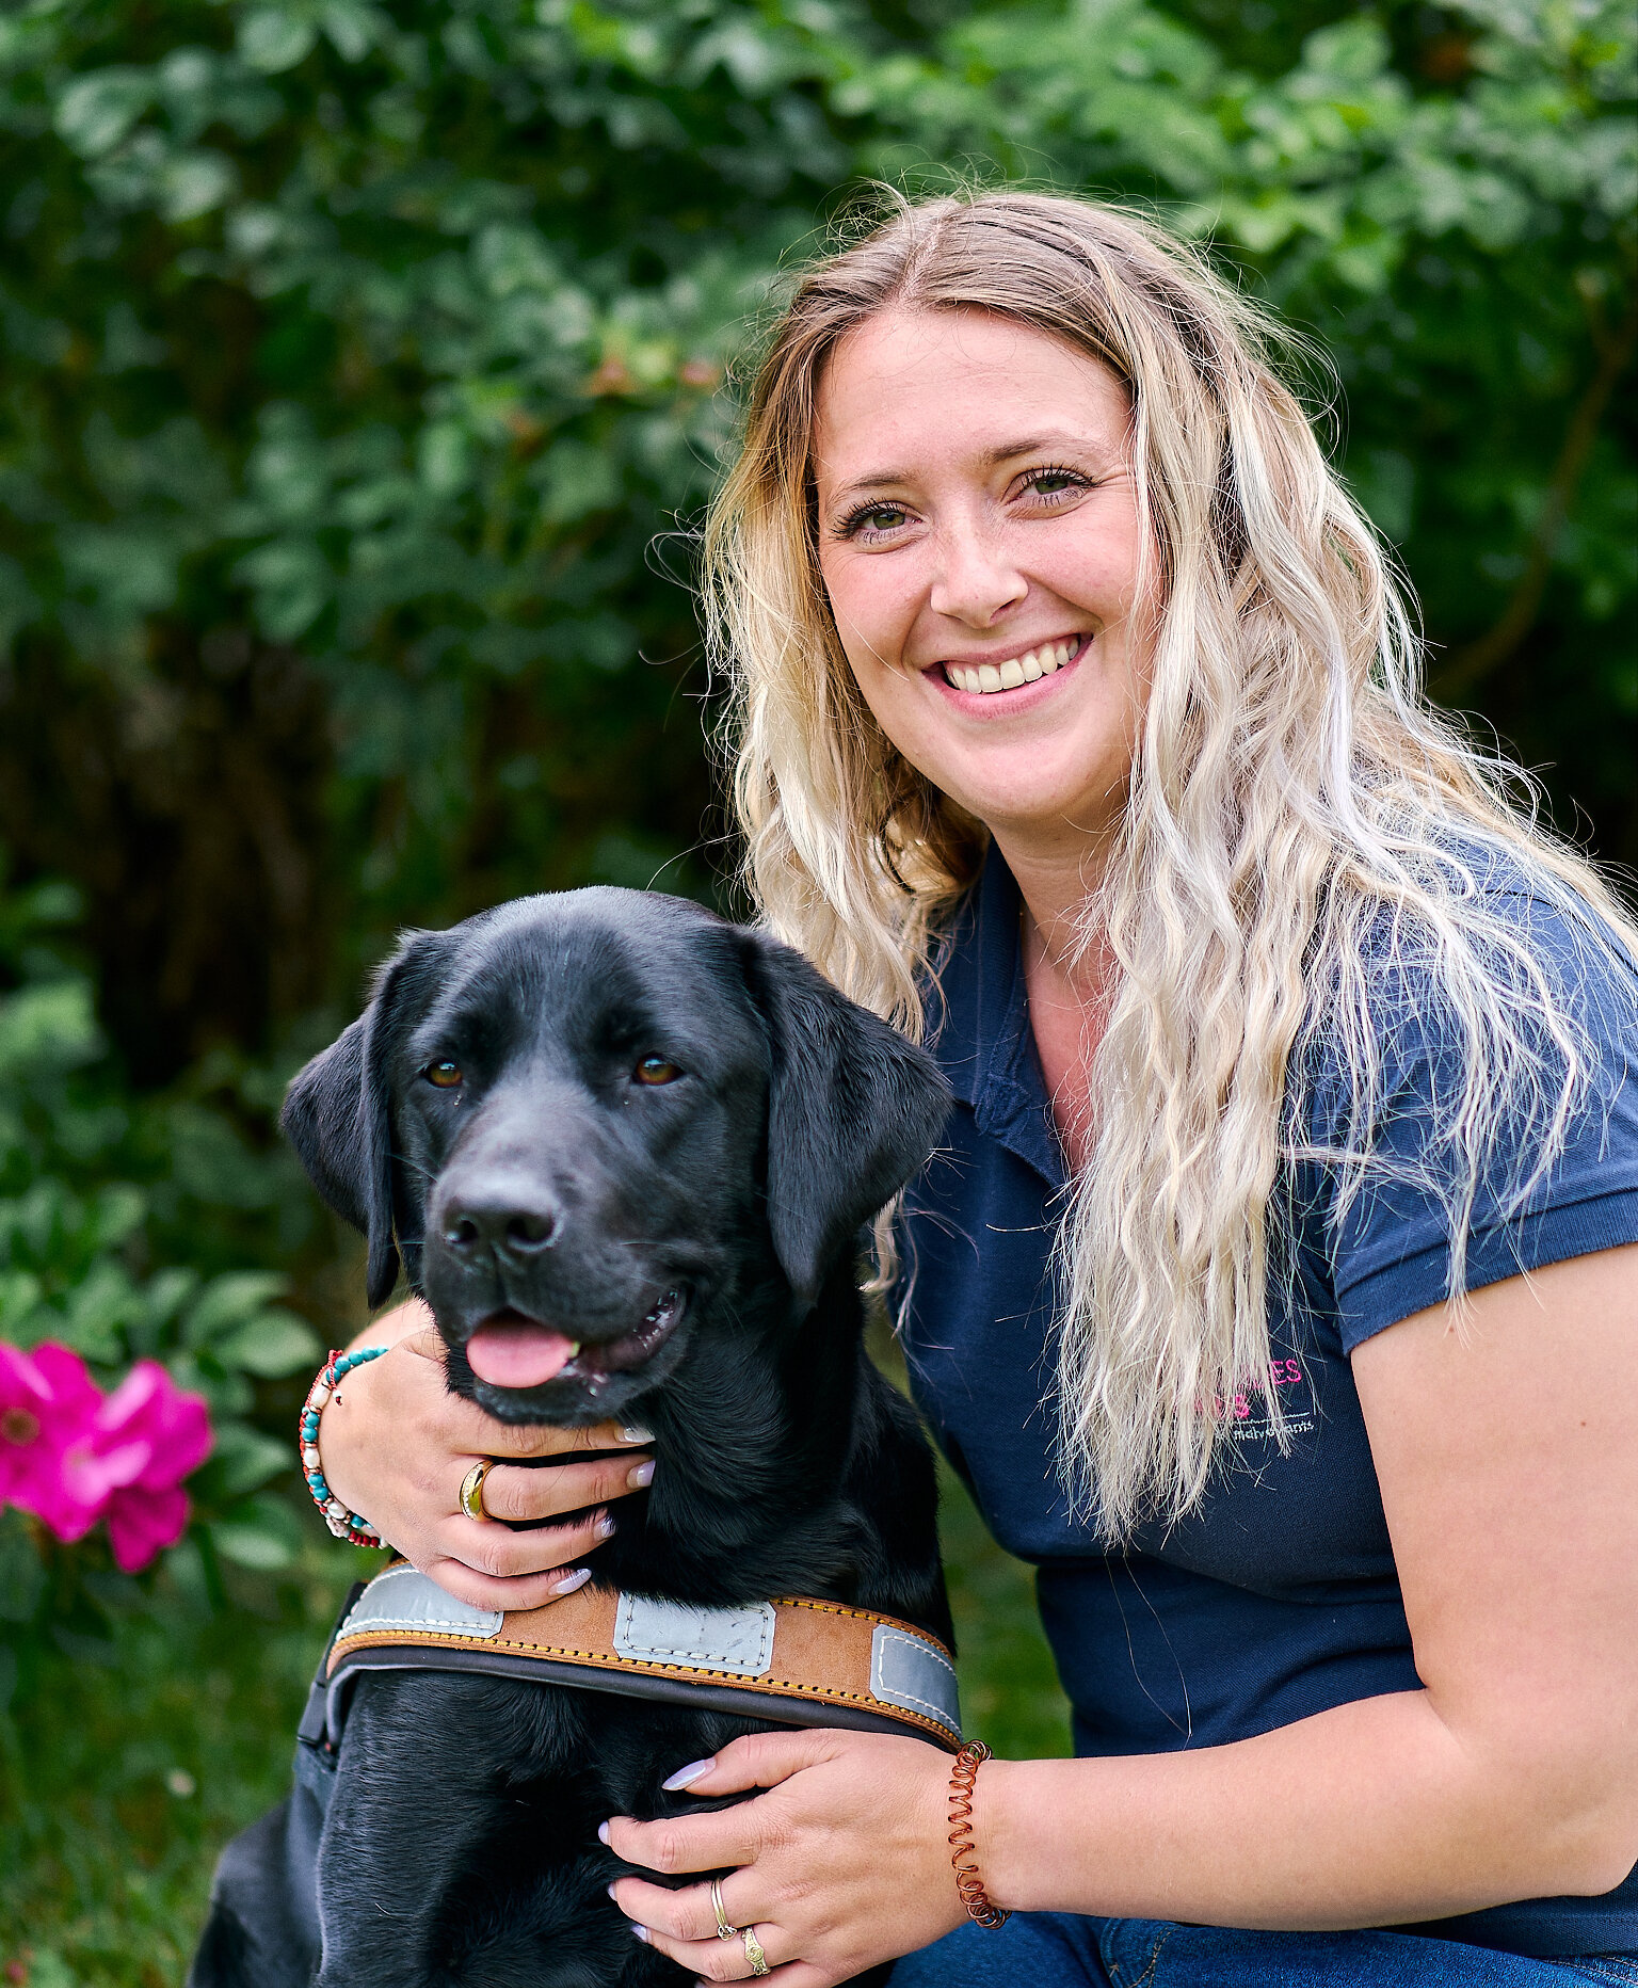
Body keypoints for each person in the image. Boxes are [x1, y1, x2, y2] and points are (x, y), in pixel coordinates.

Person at [314, 192, 1638, 1985]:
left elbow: (1561, 1786)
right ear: (815, 588)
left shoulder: (1464, 1010)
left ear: (1214, 509)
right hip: (1136, 1928)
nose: (969, 582)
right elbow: (620, 1197)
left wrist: (969, 1832)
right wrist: (373, 1399)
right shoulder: (915, 1003)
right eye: (880, 518)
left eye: (1046, 483)